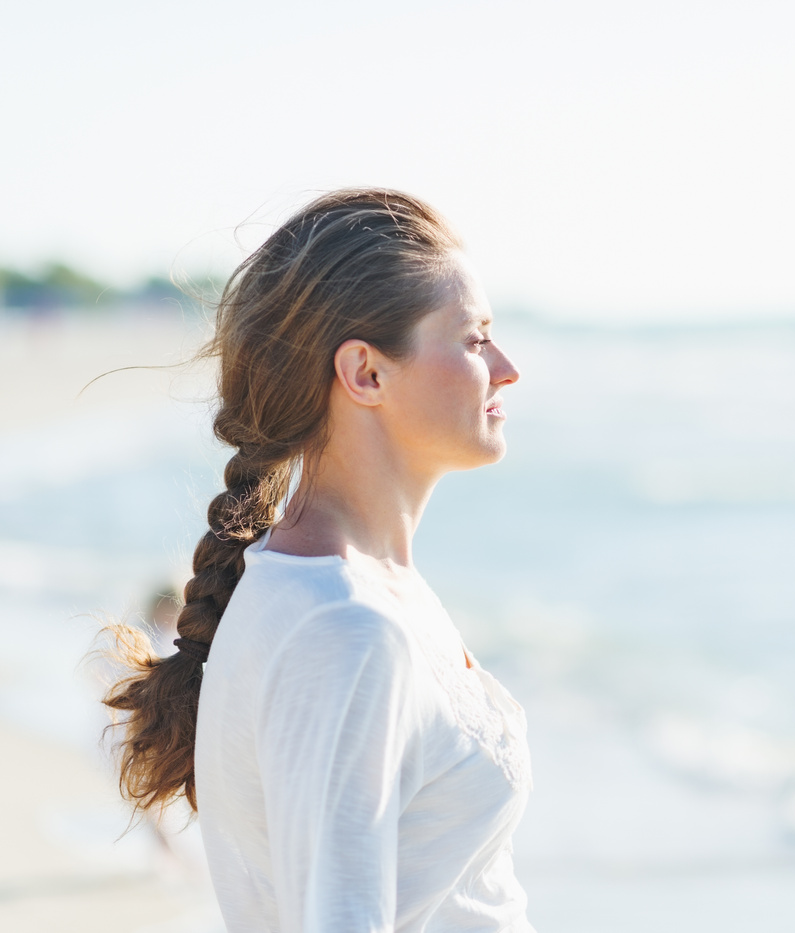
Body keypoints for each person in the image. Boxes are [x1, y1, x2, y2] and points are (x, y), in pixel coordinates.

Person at [102, 189, 533, 932]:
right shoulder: (345, 629)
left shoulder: (354, 587)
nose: (507, 367)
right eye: (474, 338)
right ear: (365, 373)